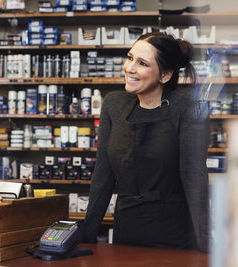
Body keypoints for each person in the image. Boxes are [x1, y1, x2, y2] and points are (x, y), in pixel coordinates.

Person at [82, 32, 210, 252]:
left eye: (142, 63)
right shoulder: (114, 104)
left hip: (174, 235)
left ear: (165, 75)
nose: (129, 68)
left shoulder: (188, 107)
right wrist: (86, 237)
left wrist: (206, 246)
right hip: (127, 231)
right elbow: (103, 175)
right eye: (130, 57)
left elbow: (194, 178)